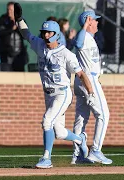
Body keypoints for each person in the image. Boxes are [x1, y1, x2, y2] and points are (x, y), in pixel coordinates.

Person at [13, 3, 96, 169]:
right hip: (48, 94)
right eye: (43, 32)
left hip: (62, 93)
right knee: (59, 132)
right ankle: (80, 139)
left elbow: (81, 74)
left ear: (56, 34)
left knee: (46, 121)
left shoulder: (66, 54)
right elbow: (27, 34)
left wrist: (91, 93)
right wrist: (19, 20)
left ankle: (46, 158)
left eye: (48, 32)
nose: (45, 35)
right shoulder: (40, 46)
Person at [71, 11, 112, 165]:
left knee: (81, 119)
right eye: (94, 20)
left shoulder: (90, 38)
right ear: (88, 22)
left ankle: (77, 156)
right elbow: (78, 43)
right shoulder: (85, 37)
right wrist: (85, 26)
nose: (97, 23)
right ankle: (95, 150)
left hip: (83, 80)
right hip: (88, 81)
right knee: (104, 115)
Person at [0, 1, 28, 71]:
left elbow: (25, 35)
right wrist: (11, 28)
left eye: (11, 10)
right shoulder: (2, 20)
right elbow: (0, 33)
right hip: (6, 54)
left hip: (19, 54)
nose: (9, 12)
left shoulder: (21, 20)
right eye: (8, 10)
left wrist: (18, 26)